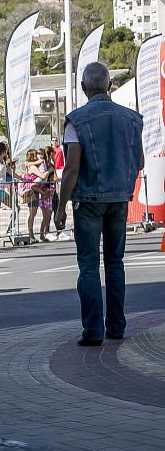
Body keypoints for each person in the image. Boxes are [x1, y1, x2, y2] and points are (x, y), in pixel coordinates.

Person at [55, 63, 143, 346]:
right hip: (119, 199)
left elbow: (71, 168)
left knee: (89, 266)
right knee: (115, 263)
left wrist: (60, 207)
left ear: (83, 87)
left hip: (88, 201)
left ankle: (93, 331)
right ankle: (116, 326)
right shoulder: (131, 119)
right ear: (109, 86)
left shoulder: (76, 121)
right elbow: (139, 161)